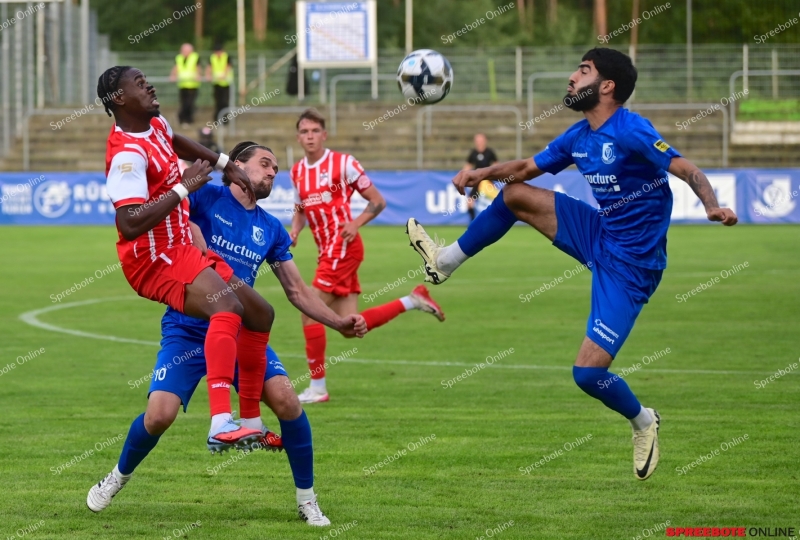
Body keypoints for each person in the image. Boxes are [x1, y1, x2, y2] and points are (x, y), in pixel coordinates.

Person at [405, 48, 738, 481]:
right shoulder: (579, 136)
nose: (571, 77)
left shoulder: (631, 129)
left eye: (583, 71)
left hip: (631, 267)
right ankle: (444, 262)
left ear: (607, 86)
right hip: (598, 231)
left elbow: (685, 167)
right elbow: (526, 168)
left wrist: (711, 205)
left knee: (587, 373)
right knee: (515, 194)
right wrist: (481, 175)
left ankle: (644, 421)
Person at [87, 142, 367, 526]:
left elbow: (297, 291)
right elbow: (174, 214)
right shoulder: (206, 197)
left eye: (276, 168)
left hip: (241, 333)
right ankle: (117, 477)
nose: (272, 172)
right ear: (236, 166)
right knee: (159, 416)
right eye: (264, 164)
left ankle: (307, 500)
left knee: (288, 400)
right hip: (187, 328)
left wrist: (338, 323)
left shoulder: (271, 228)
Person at [96, 65, 348, 453]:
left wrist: (222, 162)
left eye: (276, 168)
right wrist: (186, 189)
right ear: (119, 98)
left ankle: (251, 425)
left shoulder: (157, 126)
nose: (150, 86)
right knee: (161, 412)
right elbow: (129, 223)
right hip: (157, 263)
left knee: (262, 315)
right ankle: (218, 425)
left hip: (188, 265)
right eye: (139, 83)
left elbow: (175, 141)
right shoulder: (129, 157)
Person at [289, 108, 445, 404]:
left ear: (324, 135)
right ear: (298, 137)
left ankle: (318, 388)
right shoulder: (297, 172)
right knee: (350, 327)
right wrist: (295, 231)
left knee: (309, 310)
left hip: (343, 246)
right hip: (327, 251)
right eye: (304, 131)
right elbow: (300, 209)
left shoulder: (343, 163)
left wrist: (356, 223)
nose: (310, 136)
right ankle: (412, 300)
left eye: (315, 131)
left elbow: (378, 201)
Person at [462, 133, 499, 221]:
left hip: (487, 181)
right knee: (470, 202)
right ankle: (472, 222)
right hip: (477, 182)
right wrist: (462, 175)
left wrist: (494, 174)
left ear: (485, 141)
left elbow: (496, 165)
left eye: (480, 140)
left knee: (496, 201)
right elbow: (468, 166)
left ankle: (496, 221)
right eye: (477, 140)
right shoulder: (473, 153)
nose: (479, 142)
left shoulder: (489, 152)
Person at [170, 43, 201, 126]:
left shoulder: (195, 57)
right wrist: (173, 75)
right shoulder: (179, 57)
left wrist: (198, 75)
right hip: (182, 84)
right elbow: (176, 67)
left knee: (189, 103)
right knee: (183, 103)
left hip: (192, 84)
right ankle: (183, 119)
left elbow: (198, 67)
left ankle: (186, 119)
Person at [206, 41, 233, 124]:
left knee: (224, 102)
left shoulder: (226, 57)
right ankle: (217, 119)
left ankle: (225, 119)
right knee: (218, 102)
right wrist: (208, 75)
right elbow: (209, 67)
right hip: (216, 83)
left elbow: (228, 67)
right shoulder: (212, 57)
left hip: (225, 84)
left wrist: (224, 75)